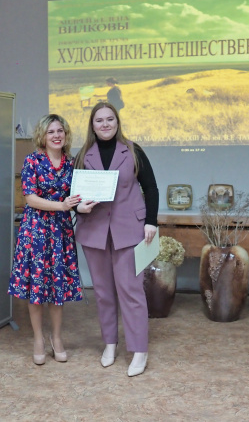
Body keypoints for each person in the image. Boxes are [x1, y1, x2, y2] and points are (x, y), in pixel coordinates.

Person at [74, 102, 158, 377]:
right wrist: (78, 208)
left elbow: (151, 187)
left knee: (131, 291)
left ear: (117, 122)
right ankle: (110, 344)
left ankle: (139, 350)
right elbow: (74, 194)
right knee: (102, 292)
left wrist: (151, 221)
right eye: (99, 120)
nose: (105, 124)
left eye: (110, 119)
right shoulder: (83, 155)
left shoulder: (133, 151)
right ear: (92, 125)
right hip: (94, 231)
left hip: (129, 230)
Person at [8, 114, 83, 365]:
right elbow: (30, 199)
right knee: (37, 288)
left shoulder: (72, 163)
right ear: (42, 135)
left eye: (60, 131)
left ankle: (57, 337)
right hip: (36, 232)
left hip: (61, 232)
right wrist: (62, 206)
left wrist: (81, 205)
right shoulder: (32, 160)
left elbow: (76, 198)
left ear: (66, 134)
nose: (56, 135)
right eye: (51, 132)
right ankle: (38, 338)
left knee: (57, 287)